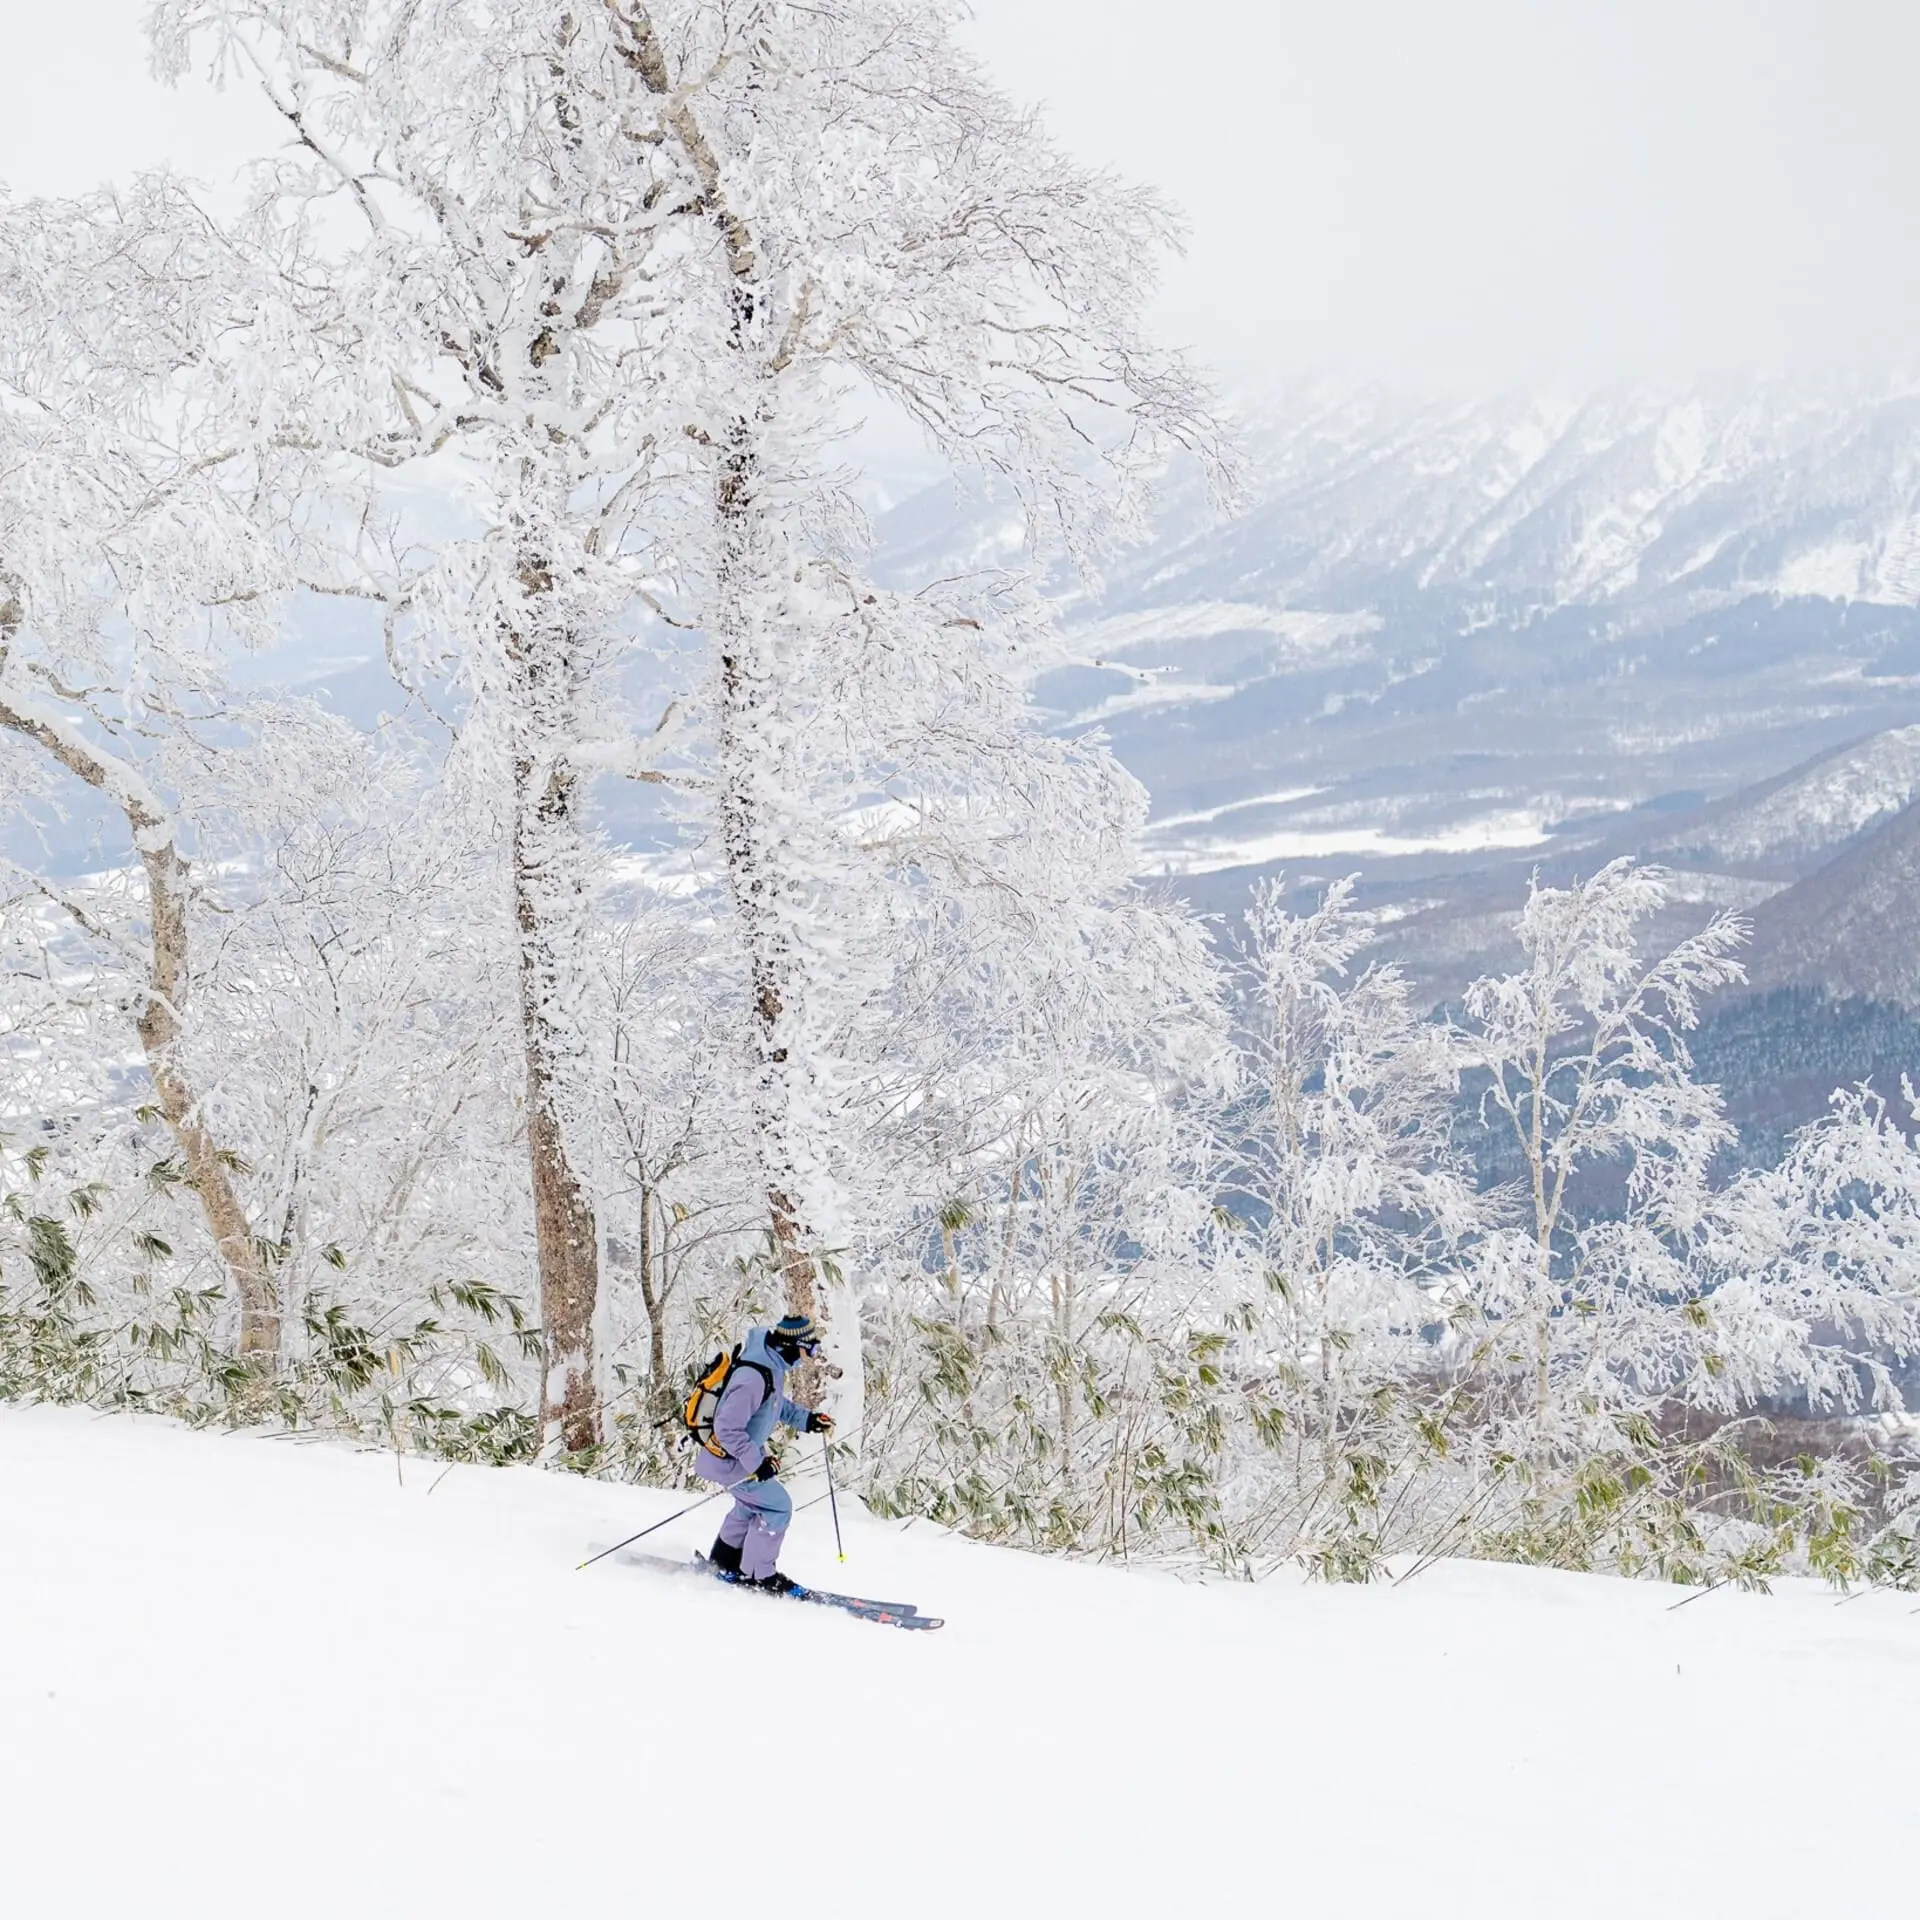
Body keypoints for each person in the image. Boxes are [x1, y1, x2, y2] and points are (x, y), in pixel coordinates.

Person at [697, 1313, 834, 1593]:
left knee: (749, 1505)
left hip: (732, 1457)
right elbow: (727, 1428)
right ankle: (761, 1576)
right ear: (791, 1345)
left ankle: (723, 1564)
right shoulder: (753, 1377)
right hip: (729, 1460)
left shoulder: (769, 1366)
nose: (808, 1356)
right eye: (808, 1349)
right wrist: (757, 1463)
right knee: (777, 1505)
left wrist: (808, 1420)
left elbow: (775, 1405)